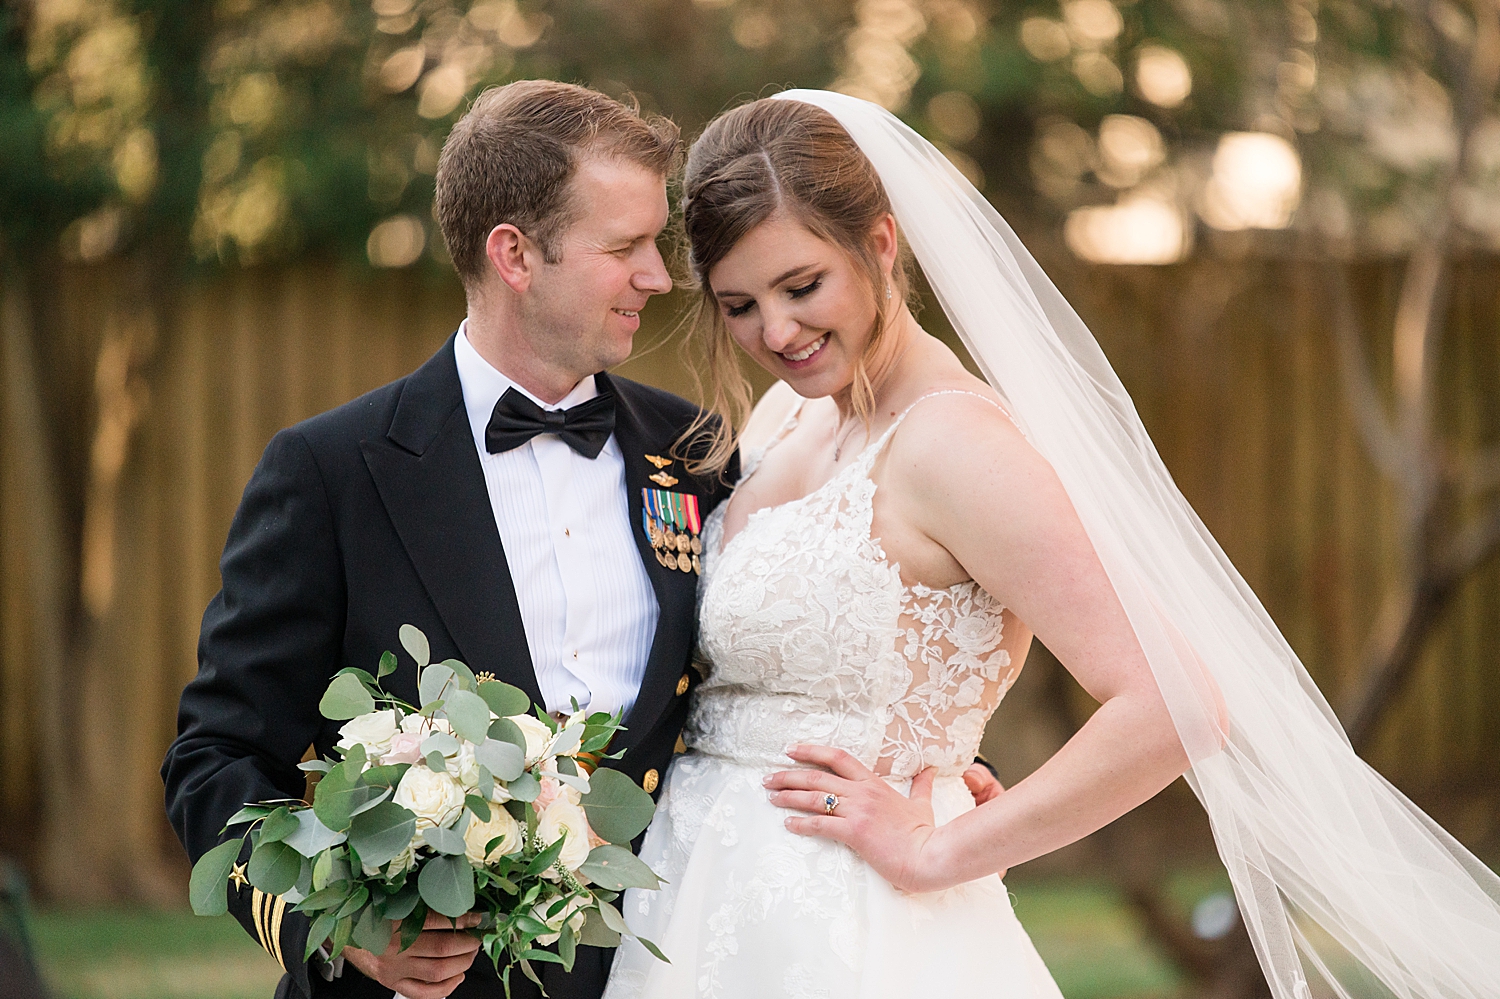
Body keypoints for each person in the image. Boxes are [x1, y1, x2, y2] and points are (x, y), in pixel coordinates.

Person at [604, 91, 1500, 999]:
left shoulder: (952, 443)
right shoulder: (789, 413)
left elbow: (1176, 704)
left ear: (879, 245)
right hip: (700, 901)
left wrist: (940, 847)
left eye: (802, 287)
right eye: (740, 305)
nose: (777, 332)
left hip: (855, 925)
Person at [162, 80, 738, 999]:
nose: (659, 277)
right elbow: (216, 758)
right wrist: (337, 925)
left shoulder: (699, 454)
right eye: (624, 247)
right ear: (514, 253)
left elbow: (780, 661)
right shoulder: (332, 471)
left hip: (664, 968)